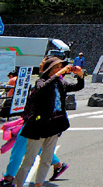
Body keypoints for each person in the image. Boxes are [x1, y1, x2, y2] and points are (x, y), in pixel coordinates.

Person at [14, 57, 83, 187]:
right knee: (29, 159)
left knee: (46, 159)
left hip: (54, 125)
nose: (60, 70)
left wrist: (80, 76)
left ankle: (39, 184)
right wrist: (57, 75)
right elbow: (42, 88)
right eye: (56, 67)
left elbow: (77, 87)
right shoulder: (41, 81)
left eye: (60, 67)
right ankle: (18, 185)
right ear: (49, 69)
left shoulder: (61, 83)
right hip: (38, 126)